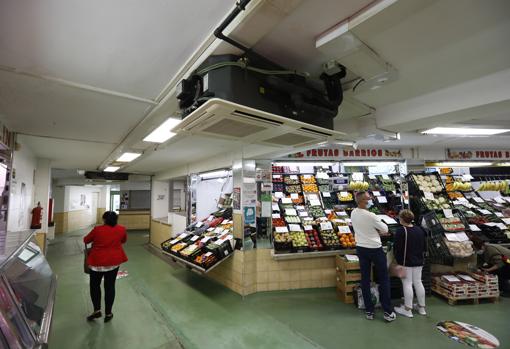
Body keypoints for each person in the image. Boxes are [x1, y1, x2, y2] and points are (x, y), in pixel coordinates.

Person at [351, 191, 396, 322]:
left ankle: (369, 311)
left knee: (365, 279)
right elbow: (385, 229)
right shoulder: (371, 215)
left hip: (361, 248)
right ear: (363, 201)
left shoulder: (353, 213)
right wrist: (376, 230)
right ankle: (388, 311)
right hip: (375, 249)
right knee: (383, 279)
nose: (371, 200)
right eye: (369, 199)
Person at [83, 211, 128, 322]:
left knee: (94, 286)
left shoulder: (97, 230)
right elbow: (123, 240)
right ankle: (108, 313)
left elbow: (85, 240)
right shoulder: (121, 229)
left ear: (104, 220)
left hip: (97, 263)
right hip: (113, 262)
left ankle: (97, 310)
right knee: (110, 287)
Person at [392, 210, 427, 318]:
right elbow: (424, 246)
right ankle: (422, 308)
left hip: (405, 261)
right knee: (418, 282)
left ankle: (408, 309)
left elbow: (397, 248)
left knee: (407, 283)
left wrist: (397, 261)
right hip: (419, 261)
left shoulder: (401, 231)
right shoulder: (420, 230)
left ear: (401, 219)